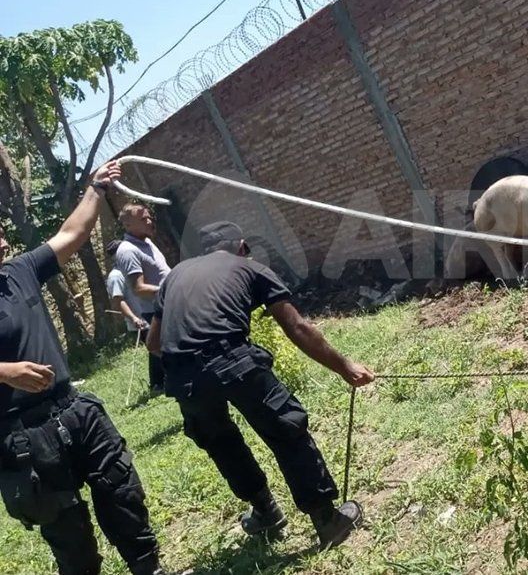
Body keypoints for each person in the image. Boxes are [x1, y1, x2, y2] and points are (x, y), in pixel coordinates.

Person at [146, 221, 374, 550]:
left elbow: (154, 342)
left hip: (183, 377)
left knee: (221, 443)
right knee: (285, 429)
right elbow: (297, 327)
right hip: (233, 359)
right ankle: (327, 520)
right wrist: (344, 367)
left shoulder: (175, 276)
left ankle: (266, 511)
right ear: (241, 247)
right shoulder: (249, 268)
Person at [0, 161, 174, 575]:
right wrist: (4, 372)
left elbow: (72, 234)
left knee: (122, 493)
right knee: (69, 536)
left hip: (74, 410)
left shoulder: (18, 272)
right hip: (22, 434)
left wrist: (97, 187)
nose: (2, 239)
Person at [113, 204, 171, 392]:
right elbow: (139, 288)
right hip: (156, 310)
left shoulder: (147, 242)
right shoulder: (128, 250)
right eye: (144, 219)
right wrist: (171, 288)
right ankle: (165, 385)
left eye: (149, 217)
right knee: (165, 351)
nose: (150, 221)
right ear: (128, 225)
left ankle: (164, 383)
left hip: (169, 303)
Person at [105, 240, 149, 342]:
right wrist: (134, 318)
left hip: (154, 318)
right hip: (142, 325)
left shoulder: (132, 268)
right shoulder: (115, 276)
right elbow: (119, 301)